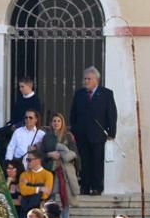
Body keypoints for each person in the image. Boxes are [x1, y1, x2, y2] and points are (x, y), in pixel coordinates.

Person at [69, 66, 117, 196]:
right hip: (82, 134)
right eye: (85, 79)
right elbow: (73, 114)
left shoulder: (106, 94)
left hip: (98, 134)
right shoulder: (79, 94)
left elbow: (111, 114)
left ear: (96, 80)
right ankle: (85, 186)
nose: (86, 81)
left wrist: (111, 132)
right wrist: (74, 129)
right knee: (85, 161)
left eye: (89, 79)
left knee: (97, 161)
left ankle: (97, 187)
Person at [48, 113, 80, 210]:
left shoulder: (68, 136)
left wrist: (61, 153)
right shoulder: (47, 136)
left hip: (65, 170)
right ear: (51, 123)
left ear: (62, 123)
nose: (56, 123)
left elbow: (74, 153)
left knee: (65, 198)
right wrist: (50, 154)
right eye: (54, 121)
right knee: (52, 195)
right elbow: (43, 152)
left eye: (59, 121)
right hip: (51, 169)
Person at [18, 151, 54, 218]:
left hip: (40, 211)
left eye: (29, 160)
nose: (27, 162)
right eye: (27, 160)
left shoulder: (48, 174)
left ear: (38, 160)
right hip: (26, 210)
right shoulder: (24, 175)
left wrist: (29, 185)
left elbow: (46, 193)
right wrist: (39, 188)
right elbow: (23, 191)